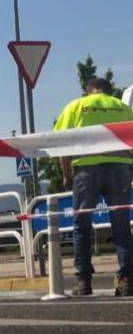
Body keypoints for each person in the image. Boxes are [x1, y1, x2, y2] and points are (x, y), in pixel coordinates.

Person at [52, 77, 133, 297]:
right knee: (122, 226)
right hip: (119, 169)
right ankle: (126, 280)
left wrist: (67, 175)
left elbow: (62, 143)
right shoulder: (122, 107)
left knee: (81, 226)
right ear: (108, 91)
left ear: (88, 91)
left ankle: (84, 281)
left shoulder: (75, 106)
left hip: (86, 171)